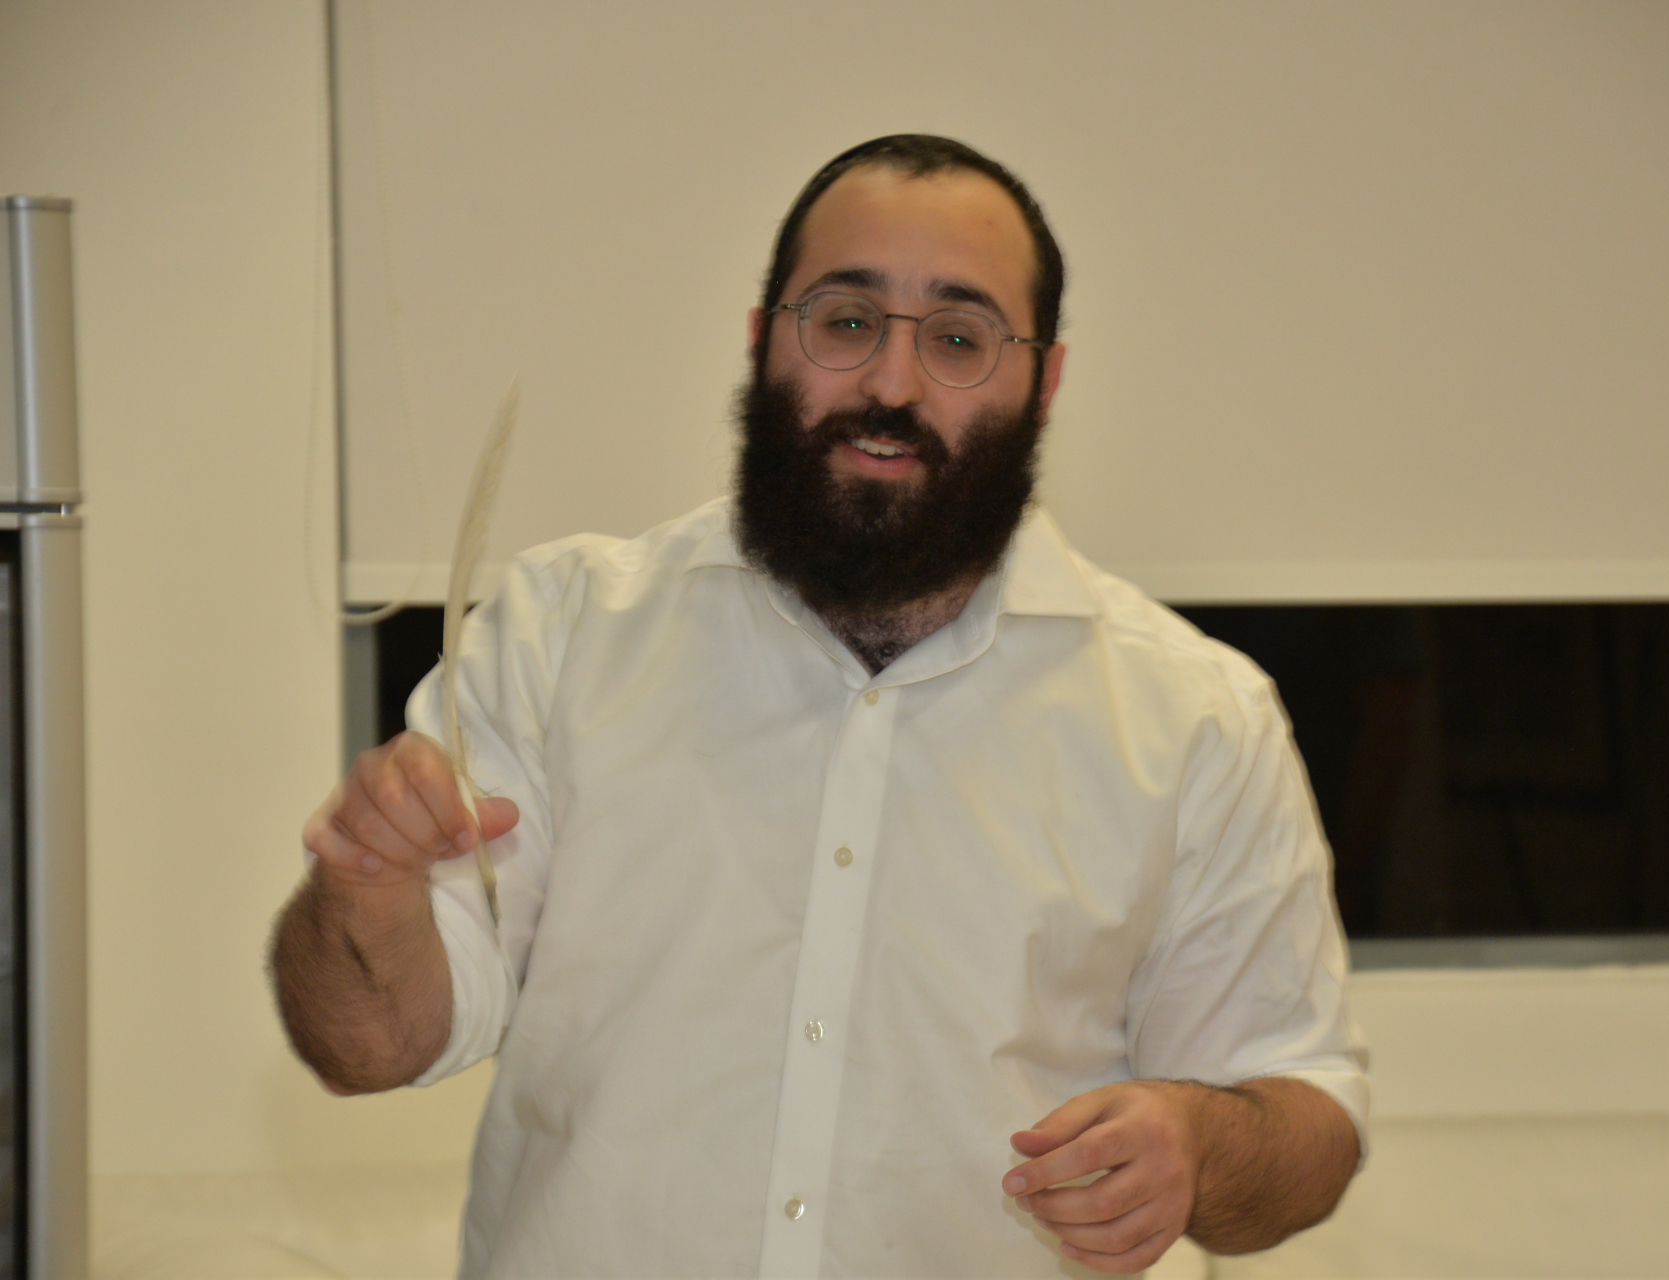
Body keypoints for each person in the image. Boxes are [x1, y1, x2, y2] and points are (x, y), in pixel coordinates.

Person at [273, 135, 1367, 1279]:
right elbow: (370, 1043)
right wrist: (364, 885)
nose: (892, 384)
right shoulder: (562, 635)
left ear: (1044, 383)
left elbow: (1307, 1120)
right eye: (846, 321)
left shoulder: (1196, 718)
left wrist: (1199, 1142)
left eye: (958, 337)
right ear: (761, 341)